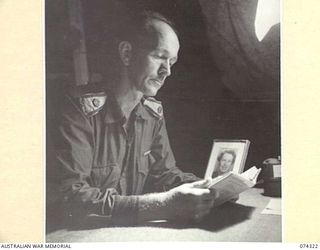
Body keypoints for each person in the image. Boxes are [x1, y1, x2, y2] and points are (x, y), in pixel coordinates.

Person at [47, 11, 218, 228]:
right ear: (127, 53)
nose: (167, 71)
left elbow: (165, 174)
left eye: (172, 61)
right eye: (159, 56)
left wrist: (211, 189)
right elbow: (73, 199)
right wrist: (163, 205)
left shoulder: (152, 114)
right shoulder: (78, 110)